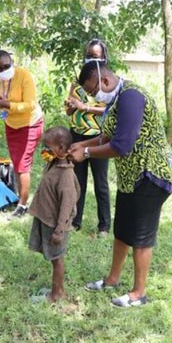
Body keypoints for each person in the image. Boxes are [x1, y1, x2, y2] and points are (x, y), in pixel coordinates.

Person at [68, 61, 172, 308]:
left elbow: (121, 146)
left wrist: (86, 153)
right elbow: (108, 136)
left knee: (140, 234)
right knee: (122, 229)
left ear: (105, 81)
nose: (92, 96)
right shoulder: (115, 99)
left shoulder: (131, 97)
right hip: (131, 176)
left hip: (150, 175)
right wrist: (84, 144)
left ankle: (138, 293)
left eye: (92, 90)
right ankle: (112, 279)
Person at [0, 50, 44, 219]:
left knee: (22, 165)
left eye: (6, 65)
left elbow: (30, 104)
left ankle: (23, 205)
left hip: (30, 123)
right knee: (17, 162)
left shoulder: (24, 75)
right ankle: (21, 198)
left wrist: (9, 105)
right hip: (11, 124)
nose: (3, 69)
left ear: (12, 62)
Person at [64, 38, 111, 237]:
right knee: (78, 182)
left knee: (101, 183)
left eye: (96, 56)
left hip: (99, 137)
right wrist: (70, 107)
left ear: (104, 58)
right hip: (77, 135)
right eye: (89, 56)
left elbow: (109, 111)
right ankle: (75, 221)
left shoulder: (108, 83)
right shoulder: (77, 83)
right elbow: (69, 111)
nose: (91, 59)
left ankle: (104, 226)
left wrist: (86, 107)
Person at [28, 126, 80, 303]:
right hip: (46, 218)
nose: (45, 151)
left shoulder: (65, 174)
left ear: (61, 148)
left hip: (55, 224)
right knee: (53, 257)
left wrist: (60, 229)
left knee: (57, 258)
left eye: (48, 147)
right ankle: (56, 289)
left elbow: (68, 203)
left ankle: (57, 294)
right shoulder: (54, 164)